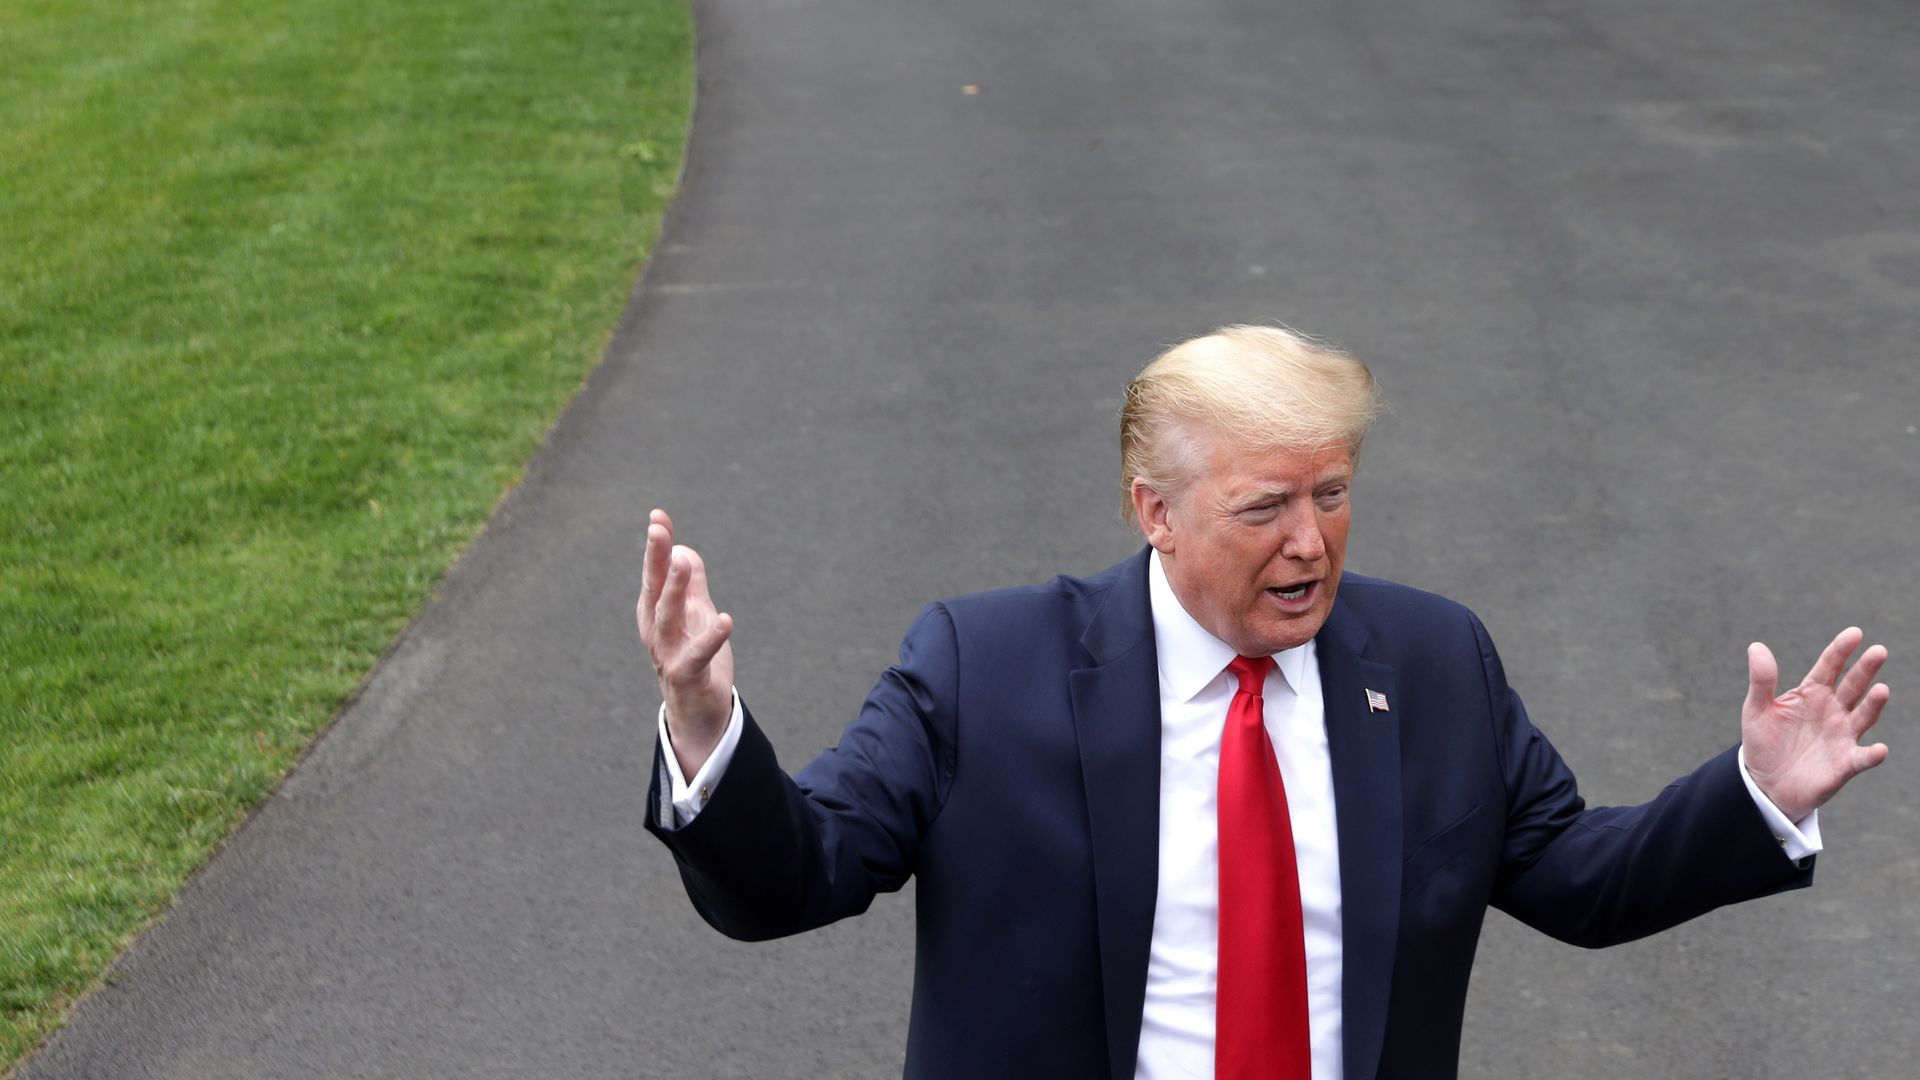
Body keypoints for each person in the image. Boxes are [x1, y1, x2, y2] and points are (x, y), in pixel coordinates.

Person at [637, 325, 1892, 1080]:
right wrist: (704, 727)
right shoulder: (985, 663)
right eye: (1264, 509)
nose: (1311, 544)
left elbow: (1574, 873)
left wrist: (1753, 800)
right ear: (1155, 511)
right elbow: (794, 878)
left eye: (1332, 494)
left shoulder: (1434, 658)